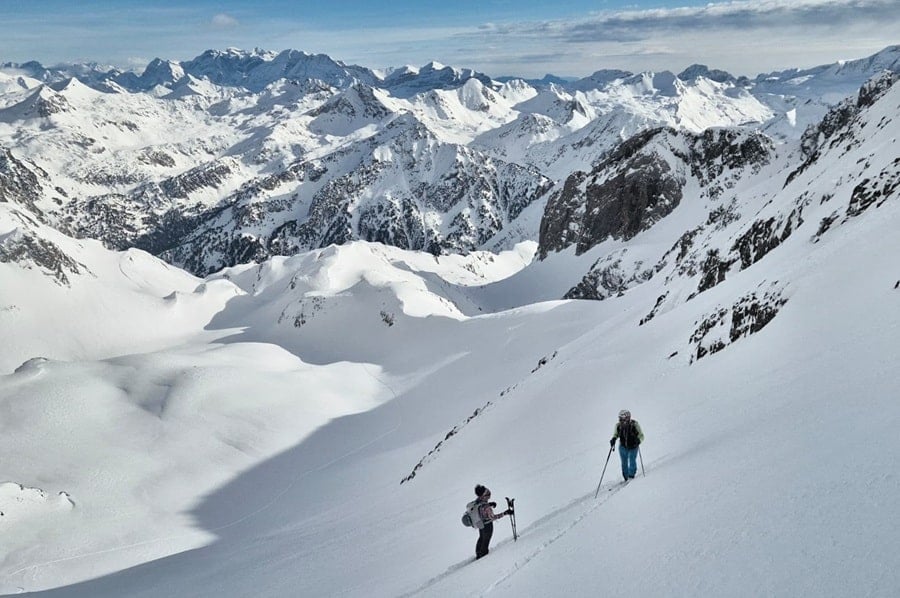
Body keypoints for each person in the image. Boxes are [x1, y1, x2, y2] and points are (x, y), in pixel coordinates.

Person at [473, 484, 512, 559]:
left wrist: (490, 504)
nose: (489, 497)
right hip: (487, 526)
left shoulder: (477, 501)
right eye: (488, 496)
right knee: (486, 540)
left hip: (480, 524)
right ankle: (483, 557)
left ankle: (478, 553)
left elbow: (481, 509)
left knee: (481, 538)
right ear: (485, 496)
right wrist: (505, 513)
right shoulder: (486, 507)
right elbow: (493, 517)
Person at [610, 409, 644, 480]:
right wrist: (613, 439)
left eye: (623, 418)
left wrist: (638, 440)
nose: (621, 420)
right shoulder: (618, 426)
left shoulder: (634, 425)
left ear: (628, 418)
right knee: (624, 462)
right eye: (620, 418)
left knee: (632, 460)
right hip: (622, 447)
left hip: (633, 447)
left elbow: (641, 435)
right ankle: (626, 477)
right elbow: (616, 434)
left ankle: (631, 475)